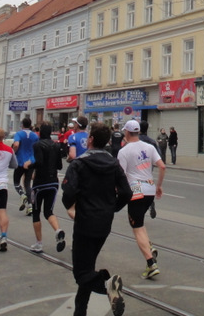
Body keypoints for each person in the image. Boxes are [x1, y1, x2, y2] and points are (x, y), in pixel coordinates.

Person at [63, 121, 131, 316]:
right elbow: (126, 192)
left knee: (81, 273)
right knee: (88, 267)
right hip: (104, 222)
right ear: (107, 141)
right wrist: (112, 207)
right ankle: (80, 311)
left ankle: (107, 285)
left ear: (90, 140)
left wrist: (71, 206)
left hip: (85, 221)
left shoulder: (79, 164)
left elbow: (68, 192)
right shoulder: (114, 164)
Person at [117, 119, 165, 279]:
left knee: (136, 226)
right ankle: (149, 247)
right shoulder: (150, 147)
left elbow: (121, 175)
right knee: (140, 223)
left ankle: (151, 263)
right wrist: (159, 185)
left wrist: (118, 192)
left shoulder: (124, 151)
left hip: (135, 189)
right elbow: (162, 166)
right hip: (150, 188)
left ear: (127, 132)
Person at [26, 122, 65, 253]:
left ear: (41, 132)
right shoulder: (56, 145)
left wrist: (29, 165)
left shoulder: (37, 145)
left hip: (40, 183)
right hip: (53, 182)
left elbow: (39, 162)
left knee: (36, 212)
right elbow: (60, 166)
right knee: (48, 211)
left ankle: (39, 243)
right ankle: (58, 231)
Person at [12, 117, 39, 215]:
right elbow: (37, 147)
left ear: (22, 124)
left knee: (16, 182)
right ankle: (30, 206)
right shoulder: (35, 135)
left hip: (20, 161)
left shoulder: (19, 134)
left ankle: (22, 195)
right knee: (27, 184)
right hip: (31, 161)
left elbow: (16, 145)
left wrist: (13, 153)